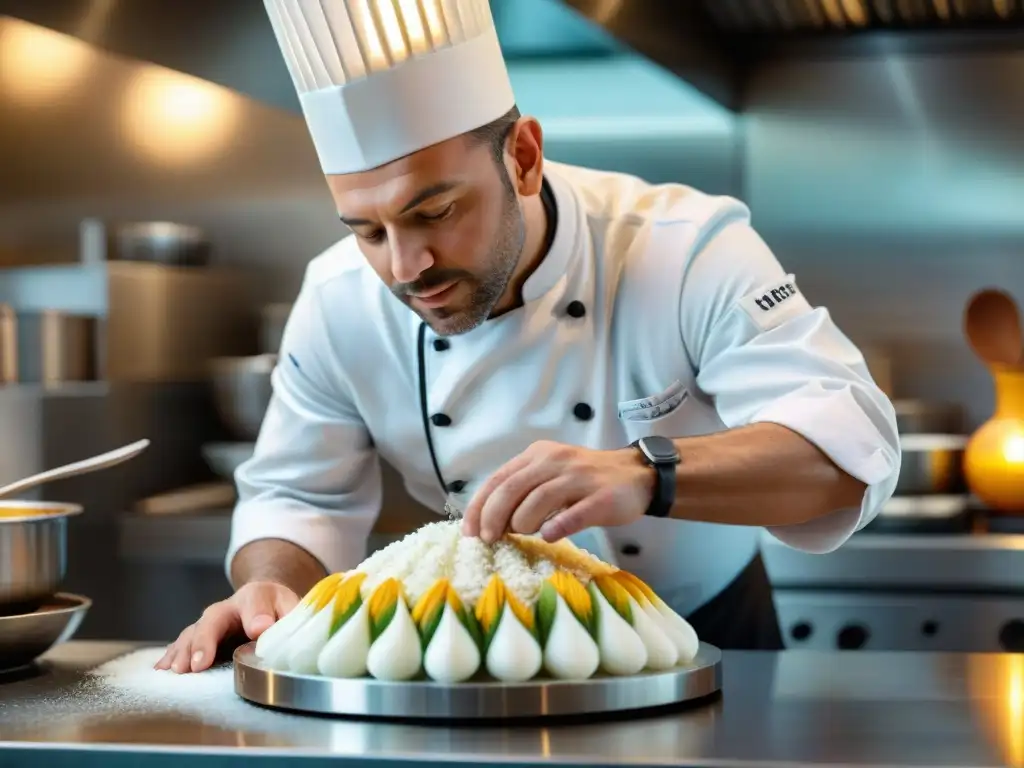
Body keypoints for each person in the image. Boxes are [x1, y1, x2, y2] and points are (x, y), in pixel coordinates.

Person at [156, 0, 900, 674]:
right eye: (368, 231)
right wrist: (270, 588)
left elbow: (850, 443)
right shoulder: (336, 300)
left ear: (523, 157)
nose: (406, 267)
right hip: (467, 654)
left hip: (705, 632)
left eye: (436, 212)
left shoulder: (682, 247)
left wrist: (645, 473)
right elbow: (294, 496)